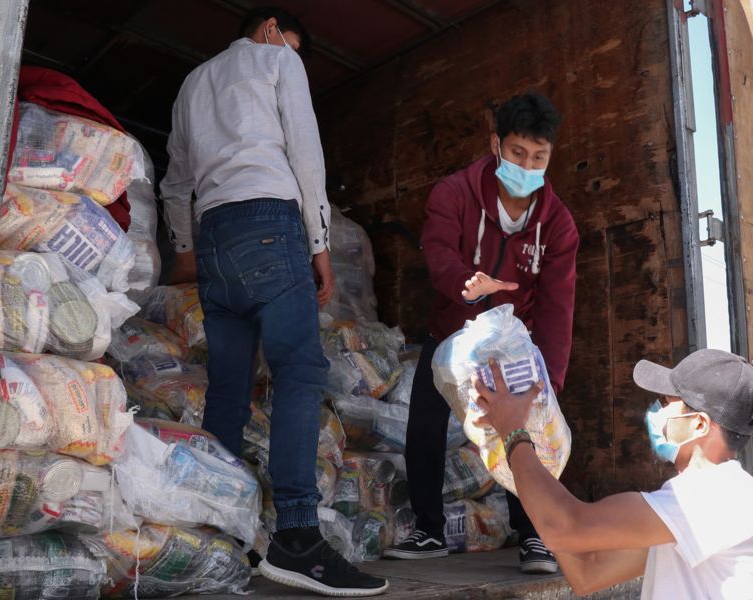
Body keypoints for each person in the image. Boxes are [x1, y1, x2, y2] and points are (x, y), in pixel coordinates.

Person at [159, 6, 388, 596]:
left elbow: (176, 179)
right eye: (287, 43)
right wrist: (318, 244)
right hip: (268, 219)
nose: (292, 53)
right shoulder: (276, 59)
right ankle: (297, 538)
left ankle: (219, 531)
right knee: (299, 371)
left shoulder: (192, 83)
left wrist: (185, 246)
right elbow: (306, 155)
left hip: (213, 236)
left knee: (229, 387)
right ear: (266, 28)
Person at [385, 93, 579, 574]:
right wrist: (464, 284)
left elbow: (559, 305)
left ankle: (535, 536)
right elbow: (438, 253)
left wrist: (549, 381)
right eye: (517, 153)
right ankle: (428, 531)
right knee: (426, 426)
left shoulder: (558, 224)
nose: (527, 165)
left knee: (527, 429)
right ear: (496, 145)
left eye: (539, 157)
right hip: (453, 331)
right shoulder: (453, 192)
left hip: (517, 340)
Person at [470, 348, 753, 597]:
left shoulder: (716, 495)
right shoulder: (692, 513)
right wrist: (537, 470)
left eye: (667, 403)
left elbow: (564, 529)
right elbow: (588, 573)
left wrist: (514, 432)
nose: (658, 411)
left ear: (700, 425)